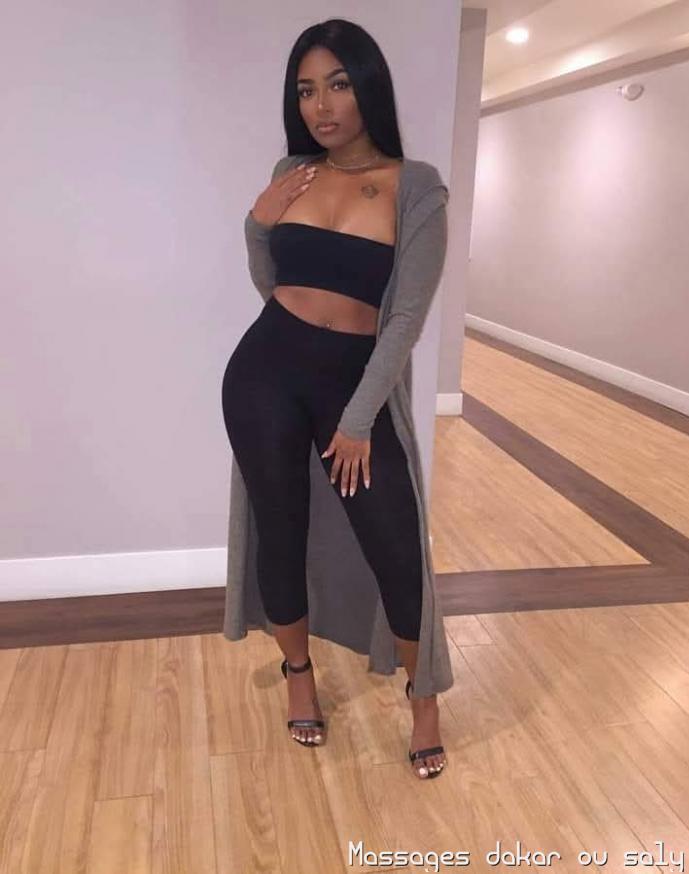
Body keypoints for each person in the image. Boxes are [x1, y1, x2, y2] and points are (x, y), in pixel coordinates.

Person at [221, 18, 453, 780]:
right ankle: (299, 675)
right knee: (280, 529)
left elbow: (406, 319)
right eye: (306, 90)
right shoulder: (295, 171)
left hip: (355, 386)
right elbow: (274, 285)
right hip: (265, 372)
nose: (321, 105)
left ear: (368, 86)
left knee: (396, 545)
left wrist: (358, 419)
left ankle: (423, 696)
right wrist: (256, 224)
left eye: (338, 84)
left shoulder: (416, 187)